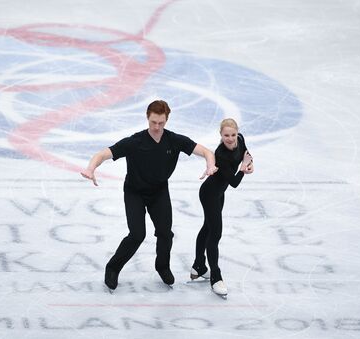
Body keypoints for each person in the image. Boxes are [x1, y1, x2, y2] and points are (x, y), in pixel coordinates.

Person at [80, 100, 217, 291]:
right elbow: (103, 154)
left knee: (165, 233)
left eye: (161, 123)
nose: (156, 127)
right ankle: (112, 268)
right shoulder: (135, 141)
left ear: (166, 120)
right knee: (137, 235)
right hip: (134, 192)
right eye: (153, 122)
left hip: (159, 192)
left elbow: (205, 151)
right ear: (147, 117)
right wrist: (90, 168)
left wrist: (210, 165)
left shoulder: (174, 140)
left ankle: (162, 266)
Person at [190, 118, 254, 297]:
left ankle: (198, 266)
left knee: (207, 227)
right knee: (215, 233)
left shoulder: (240, 139)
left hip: (219, 193)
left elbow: (246, 154)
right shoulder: (221, 154)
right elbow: (233, 182)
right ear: (221, 135)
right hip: (209, 193)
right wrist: (242, 169)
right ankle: (215, 278)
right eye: (226, 135)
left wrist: (250, 164)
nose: (231, 138)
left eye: (233, 135)